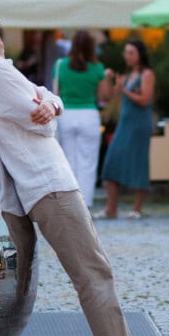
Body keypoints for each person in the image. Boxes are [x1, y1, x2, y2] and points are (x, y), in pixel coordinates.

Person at [0, 0, 169, 336]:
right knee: (92, 271)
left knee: (90, 269)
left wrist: (51, 103)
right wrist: (50, 109)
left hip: (47, 181)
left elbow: (48, 97)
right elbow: (43, 124)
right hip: (46, 183)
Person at [52, 29, 113, 208]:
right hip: (89, 115)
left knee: (68, 159)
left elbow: (56, 92)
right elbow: (104, 97)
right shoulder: (98, 68)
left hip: (66, 114)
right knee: (88, 162)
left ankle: (69, 201)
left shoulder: (60, 65)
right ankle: (84, 202)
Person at [95, 39, 154, 220]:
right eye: (126, 52)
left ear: (139, 54)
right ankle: (111, 208)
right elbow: (109, 96)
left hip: (139, 124)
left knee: (138, 162)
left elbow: (145, 99)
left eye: (131, 52)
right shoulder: (128, 76)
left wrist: (124, 90)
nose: (127, 56)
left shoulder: (147, 74)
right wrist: (110, 80)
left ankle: (137, 208)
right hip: (124, 123)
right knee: (111, 161)